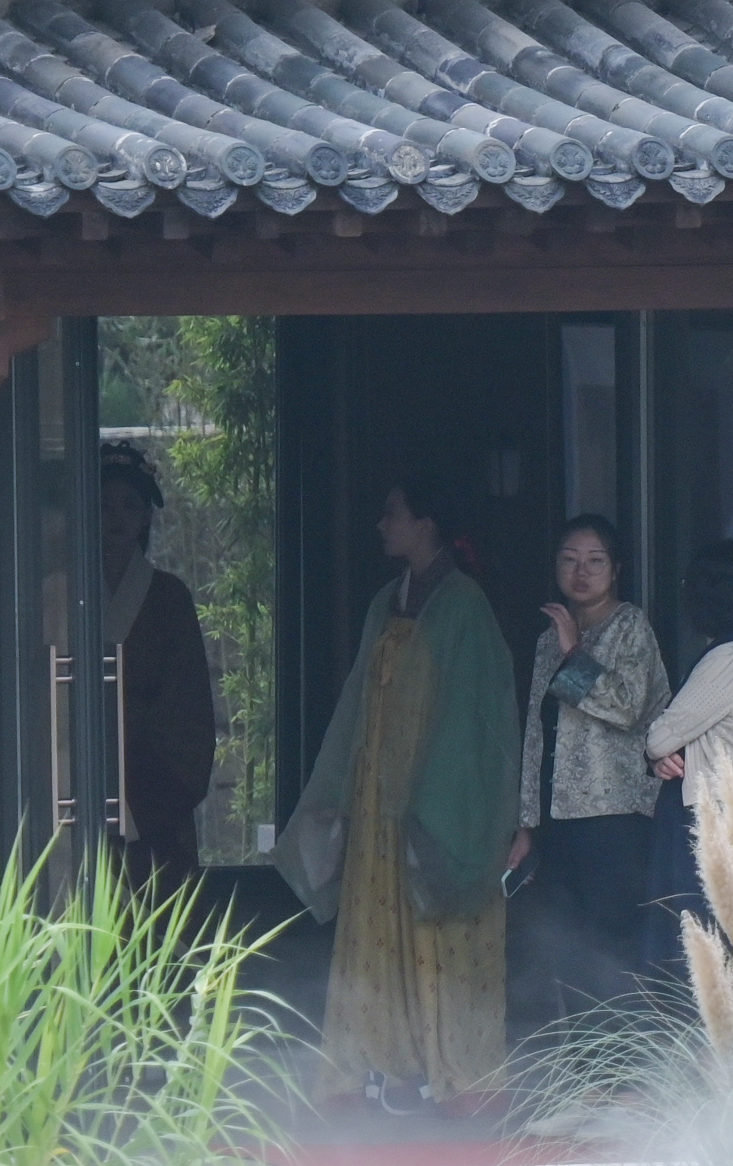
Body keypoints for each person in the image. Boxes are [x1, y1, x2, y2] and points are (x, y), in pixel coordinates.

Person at [279, 478, 519, 1118]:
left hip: (432, 805)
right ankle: (378, 1067)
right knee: (378, 928)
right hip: (377, 801)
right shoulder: (388, 600)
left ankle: (455, 1071)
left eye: (392, 511)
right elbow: (358, 707)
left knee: (437, 925)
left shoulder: (465, 606)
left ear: (426, 522)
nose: (381, 524)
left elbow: (476, 721)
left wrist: (437, 805)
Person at [518, 509, 667, 1013]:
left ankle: (622, 1083)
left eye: (594, 562)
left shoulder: (631, 627)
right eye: (569, 560)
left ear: (616, 569)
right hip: (559, 820)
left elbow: (625, 707)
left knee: (614, 949)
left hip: (614, 818)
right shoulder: (547, 637)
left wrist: (573, 651)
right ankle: (585, 1076)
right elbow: (537, 737)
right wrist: (527, 822)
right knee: (568, 950)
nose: (580, 573)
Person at [636, 536, 733, 971]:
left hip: (701, 816)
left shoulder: (725, 658)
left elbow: (661, 737)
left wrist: (658, 750)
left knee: (690, 945)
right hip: (721, 809)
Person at [102, 442, 216, 910]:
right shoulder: (60, 594)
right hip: (75, 797)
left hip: (154, 808)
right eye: (106, 504)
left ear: (148, 517)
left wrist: (149, 798)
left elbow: (189, 713)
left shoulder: (169, 598)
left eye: (131, 505)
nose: (118, 517)